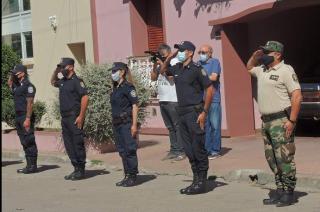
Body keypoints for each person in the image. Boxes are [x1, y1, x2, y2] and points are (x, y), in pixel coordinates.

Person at [247, 41, 302, 207]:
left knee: (284, 157)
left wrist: (292, 120)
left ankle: (288, 192)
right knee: (271, 158)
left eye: (267, 52)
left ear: (277, 54)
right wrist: (254, 57)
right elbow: (249, 68)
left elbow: (297, 96)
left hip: (281, 121)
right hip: (267, 122)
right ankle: (279, 190)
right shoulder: (262, 70)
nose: (263, 55)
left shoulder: (286, 70)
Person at [160, 41, 214, 195]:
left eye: (182, 50)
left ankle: (202, 183)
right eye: (179, 50)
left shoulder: (197, 69)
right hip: (181, 113)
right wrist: (170, 57)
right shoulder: (177, 68)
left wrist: (204, 112)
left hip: (195, 112)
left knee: (198, 147)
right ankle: (195, 180)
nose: (180, 52)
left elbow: (209, 90)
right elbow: (163, 71)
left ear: (190, 52)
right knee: (188, 149)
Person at [51, 58, 89, 181]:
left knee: (77, 143)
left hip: (74, 117)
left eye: (63, 67)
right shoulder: (63, 81)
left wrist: (81, 116)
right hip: (65, 117)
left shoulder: (77, 81)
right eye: (61, 67)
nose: (62, 69)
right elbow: (52, 81)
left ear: (71, 67)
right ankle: (75, 168)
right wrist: (56, 70)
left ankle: (81, 170)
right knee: (69, 144)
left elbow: (85, 98)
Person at [150, 44, 185, 161]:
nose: (162, 57)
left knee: (177, 126)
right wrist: (156, 64)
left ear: (169, 53)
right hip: (163, 99)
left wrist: (164, 65)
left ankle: (181, 150)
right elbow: (153, 78)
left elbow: (171, 78)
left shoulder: (174, 62)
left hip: (173, 99)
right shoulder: (160, 64)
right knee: (170, 127)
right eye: (161, 56)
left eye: (164, 55)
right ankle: (173, 149)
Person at [110, 62, 139, 187]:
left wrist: (134, 125)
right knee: (122, 150)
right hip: (117, 124)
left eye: (114, 71)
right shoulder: (115, 88)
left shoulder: (129, 87)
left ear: (122, 72)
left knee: (130, 149)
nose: (112, 74)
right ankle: (127, 175)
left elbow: (135, 106)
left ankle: (132, 176)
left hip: (126, 123)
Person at [8, 64, 38, 174]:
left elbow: (30, 104)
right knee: (23, 141)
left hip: (25, 116)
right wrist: (12, 75)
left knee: (29, 140)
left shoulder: (28, 86)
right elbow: (9, 84)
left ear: (23, 73)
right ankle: (28, 165)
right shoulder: (17, 85)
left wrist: (28, 119)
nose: (15, 74)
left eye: (16, 72)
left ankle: (33, 166)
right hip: (18, 116)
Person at [198, 44, 222, 160]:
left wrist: (199, 76)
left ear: (210, 53)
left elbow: (214, 77)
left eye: (204, 52)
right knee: (204, 126)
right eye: (200, 52)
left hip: (214, 99)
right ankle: (206, 150)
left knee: (215, 126)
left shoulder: (214, 62)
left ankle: (215, 150)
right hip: (201, 100)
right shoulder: (197, 64)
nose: (201, 54)